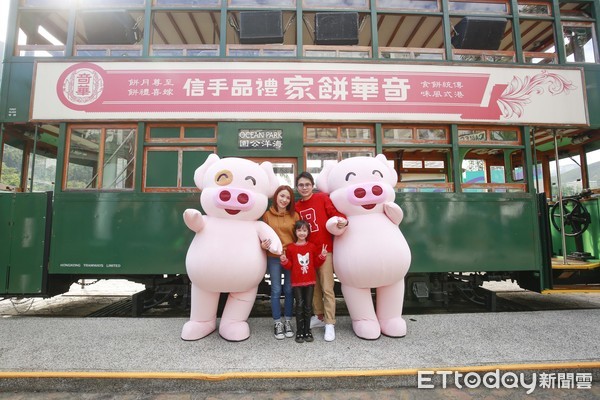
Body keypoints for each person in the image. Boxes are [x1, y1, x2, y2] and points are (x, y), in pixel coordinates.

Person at [294, 171, 347, 342]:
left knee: (327, 288)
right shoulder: (296, 207)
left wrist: (343, 221)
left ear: (312, 186)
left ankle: (330, 323)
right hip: (307, 252)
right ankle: (319, 316)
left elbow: (336, 214)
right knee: (313, 287)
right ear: (297, 187)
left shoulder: (323, 198)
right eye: (301, 185)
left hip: (325, 250)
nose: (304, 187)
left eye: (307, 184)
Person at [261, 185, 300, 340]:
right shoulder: (266, 216)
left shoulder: (294, 215)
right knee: (276, 290)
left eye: (288, 197)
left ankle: (288, 321)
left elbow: (299, 237)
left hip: (290, 258)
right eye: (282, 196)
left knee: (289, 290)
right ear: (276, 196)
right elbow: (262, 236)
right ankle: (277, 322)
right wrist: (262, 246)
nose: (284, 200)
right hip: (274, 257)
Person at [280, 220, 328, 343]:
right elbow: (289, 266)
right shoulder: (290, 248)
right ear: (295, 232)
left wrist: (322, 256)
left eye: (304, 230)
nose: (302, 233)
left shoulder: (311, 247)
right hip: (296, 282)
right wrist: (284, 260)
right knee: (299, 306)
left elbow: (316, 263)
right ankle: (299, 331)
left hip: (310, 281)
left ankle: (307, 330)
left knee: (308, 306)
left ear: (308, 232)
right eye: (299, 230)